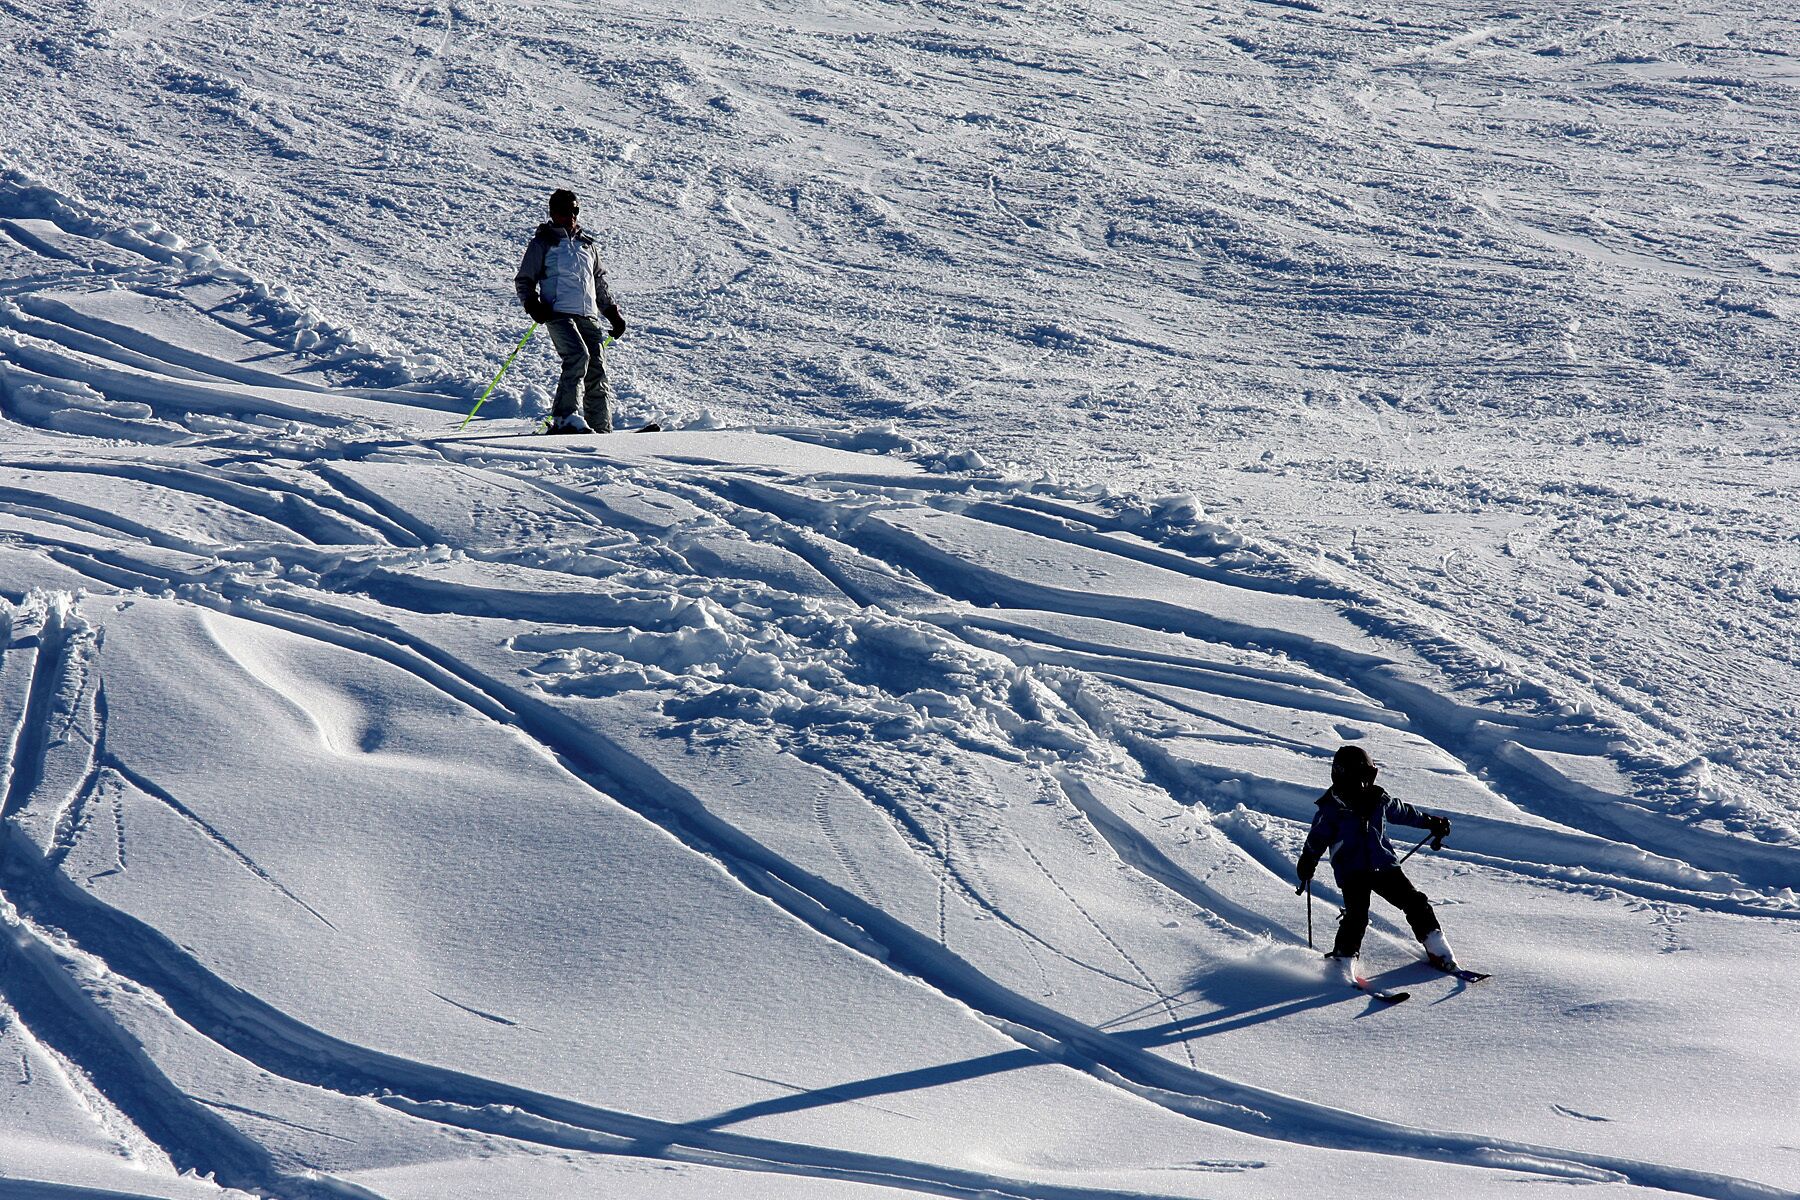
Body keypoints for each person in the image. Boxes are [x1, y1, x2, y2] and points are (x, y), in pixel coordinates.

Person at [1296, 745, 1458, 985]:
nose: (1366, 782)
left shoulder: (1377, 799)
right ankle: (1342, 962)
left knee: (1415, 902)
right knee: (1357, 916)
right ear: (1345, 776)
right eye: (1361, 776)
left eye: (1369, 776)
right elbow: (1316, 839)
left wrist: (1431, 822)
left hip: (1385, 866)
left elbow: (1404, 812)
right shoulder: (1331, 809)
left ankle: (1437, 947)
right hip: (1352, 872)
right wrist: (1308, 860)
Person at [514, 188, 627, 434]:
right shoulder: (543, 243)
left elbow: (598, 283)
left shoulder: (587, 246)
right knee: (578, 357)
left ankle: (600, 428)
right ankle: (564, 418)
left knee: (597, 367)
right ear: (554, 212)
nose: (571, 216)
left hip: (588, 314)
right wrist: (533, 304)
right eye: (566, 211)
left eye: (575, 210)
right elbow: (524, 280)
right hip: (558, 313)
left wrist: (612, 313)